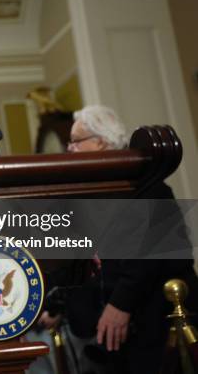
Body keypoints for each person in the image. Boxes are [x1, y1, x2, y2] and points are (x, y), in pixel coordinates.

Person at [40, 105, 198, 374]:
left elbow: (152, 258)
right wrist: (56, 304)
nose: (69, 149)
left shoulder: (148, 187)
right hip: (107, 336)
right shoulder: (86, 195)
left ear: (100, 142)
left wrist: (120, 305)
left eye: (75, 141)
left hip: (157, 324)